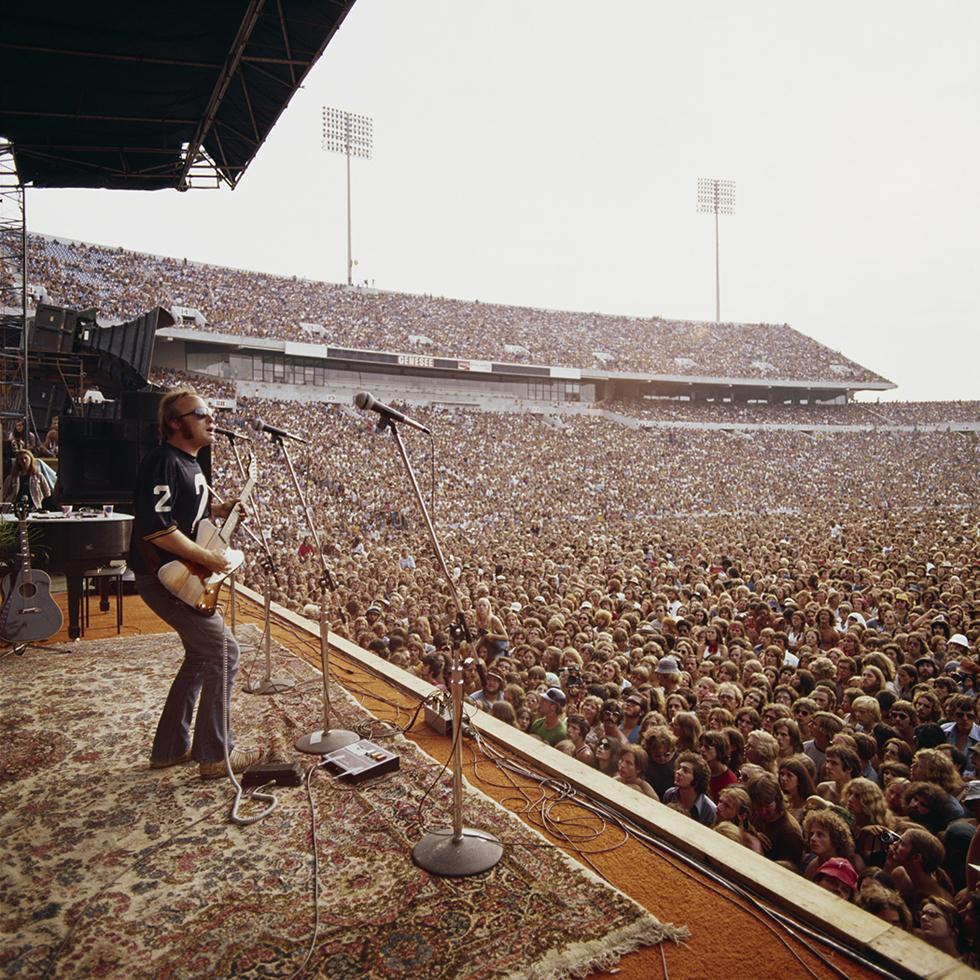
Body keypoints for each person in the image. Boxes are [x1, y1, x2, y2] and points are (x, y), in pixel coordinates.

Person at [130, 387, 260, 779]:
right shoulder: (163, 461)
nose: (211, 419)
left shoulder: (191, 463)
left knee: (200, 657)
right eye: (201, 413)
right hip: (165, 577)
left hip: (178, 576)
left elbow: (187, 517)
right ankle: (214, 755)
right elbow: (156, 529)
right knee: (225, 652)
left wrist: (219, 510)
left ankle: (169, 748)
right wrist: (207, 558)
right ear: (175, 422)